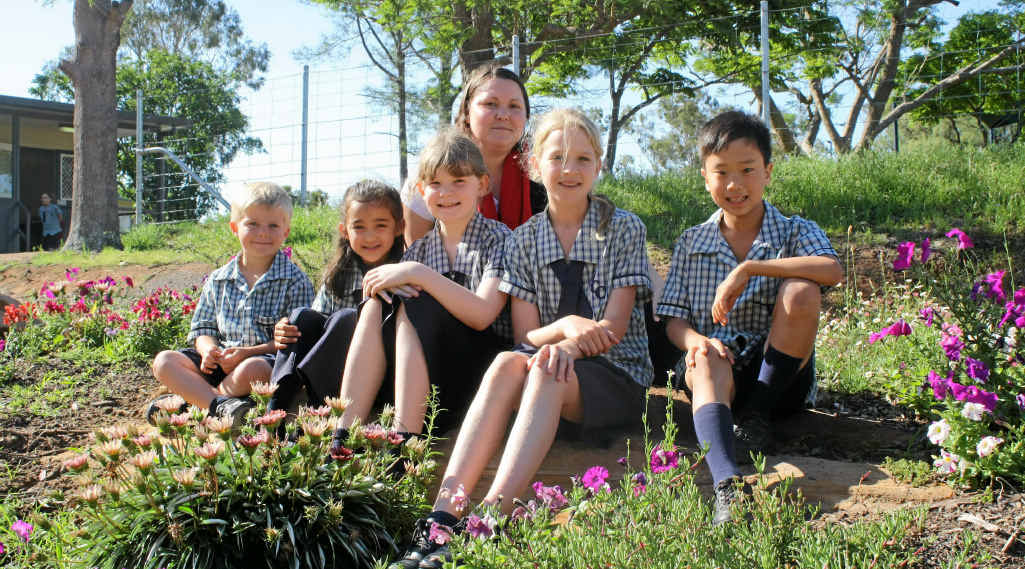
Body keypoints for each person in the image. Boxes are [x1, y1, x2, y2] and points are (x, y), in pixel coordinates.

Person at [390, 108, 653, 569]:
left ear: (599, 165)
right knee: (506, 362)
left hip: (616, 375)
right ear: (533, 164)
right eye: (557, 157)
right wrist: (564, 329)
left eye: (582, 159)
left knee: (546, 366)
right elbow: (525, 332)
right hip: (549, 364)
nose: (569, 170)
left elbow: (612, 329)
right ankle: (442, 518)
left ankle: (490, 519)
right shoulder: (523, 238)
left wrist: (565, 344)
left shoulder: (624, 228)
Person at [656, 111, 842, 526]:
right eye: (721, 172)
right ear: (705, 177)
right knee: (704, 355)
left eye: (747, 170)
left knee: (801, 289)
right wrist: (694, 341)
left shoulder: (794, 231)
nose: (734, 185)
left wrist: (752, 269)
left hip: (778, 380)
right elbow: (672, 320)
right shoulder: (692, 241)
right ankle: (729, 486)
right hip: (715, 377)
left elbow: (832, 270)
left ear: (768, 172)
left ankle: (758, 415)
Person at [330, 128, 512, 447]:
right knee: (378, 301)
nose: (446, 192)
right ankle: (342, 433)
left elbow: (483, 314)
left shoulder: (502, 240)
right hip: (424, 374)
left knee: (414, 298)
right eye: (435, 184)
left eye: (458, 181)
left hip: (476, 373)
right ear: (421, 191)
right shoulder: (419, 250)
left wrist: (418, 273)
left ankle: (406, 440)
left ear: (482, 184)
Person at [147, 182, 314, 425]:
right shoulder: (218, 279)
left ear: (286, 231)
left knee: (254, 369)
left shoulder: (295, 280)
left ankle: (194, 403)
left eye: (273, 226)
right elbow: (203, 328)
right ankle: (222, 406)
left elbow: (293, 342)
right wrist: (208, 351)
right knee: (164, 362)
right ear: (235, 228)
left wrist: (245, 353)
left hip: (261, 364)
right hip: (218, 364)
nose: (263, 233)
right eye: (252, 224)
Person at [267, 180, 405, 412]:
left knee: (345, 319)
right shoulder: (339, 275)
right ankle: (276, 406)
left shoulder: (405, 271)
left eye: (380, 225)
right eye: (359, 227)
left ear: (399, 227)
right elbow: (318, 330)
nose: (369, 237)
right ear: (345, 231)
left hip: (380, 374)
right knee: (301, 317)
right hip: (333, 370)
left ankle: (320, 406)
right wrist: (287, 330)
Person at [402, 62, 546, 245]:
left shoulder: (543, 175)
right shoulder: (429, 175)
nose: (503, 114)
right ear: (467, 113)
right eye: (490, 104)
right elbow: (416, 258)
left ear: (526, 116)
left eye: (514, 106)